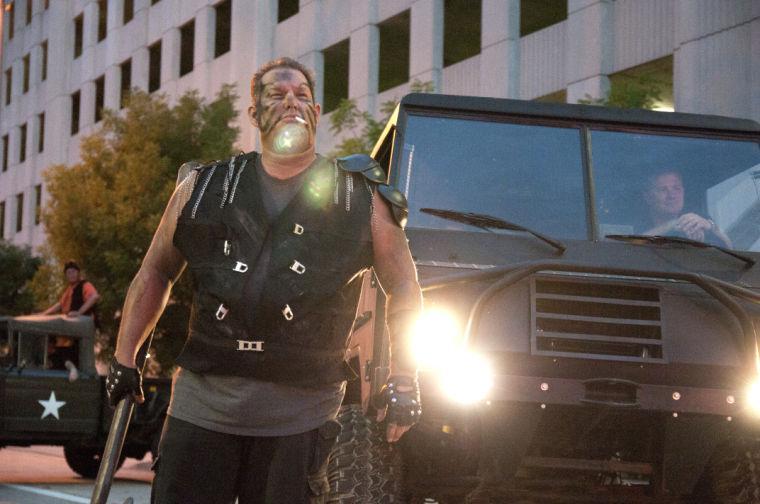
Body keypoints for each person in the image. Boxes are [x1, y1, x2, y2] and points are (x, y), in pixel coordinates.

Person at [106, 57, 423, 504]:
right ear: (254, 114)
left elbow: (406, 288)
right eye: (277, 95)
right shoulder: (201, 188)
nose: (291, 103)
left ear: (315, 113)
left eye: (302, 97)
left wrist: (406, 378)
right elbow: (156, 270)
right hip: (202, 410)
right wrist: (125, 358)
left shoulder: (362, 198)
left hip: (299, 419)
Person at [641, 169, 732, 248]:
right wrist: (672, 225)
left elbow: (730, 249)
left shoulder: (695, 219)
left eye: (677, 188)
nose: (672, 195)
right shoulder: (634, 224)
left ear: (683, 191)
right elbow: (630, 248)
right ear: (648, 197)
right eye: (663, 190)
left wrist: (710, 226)